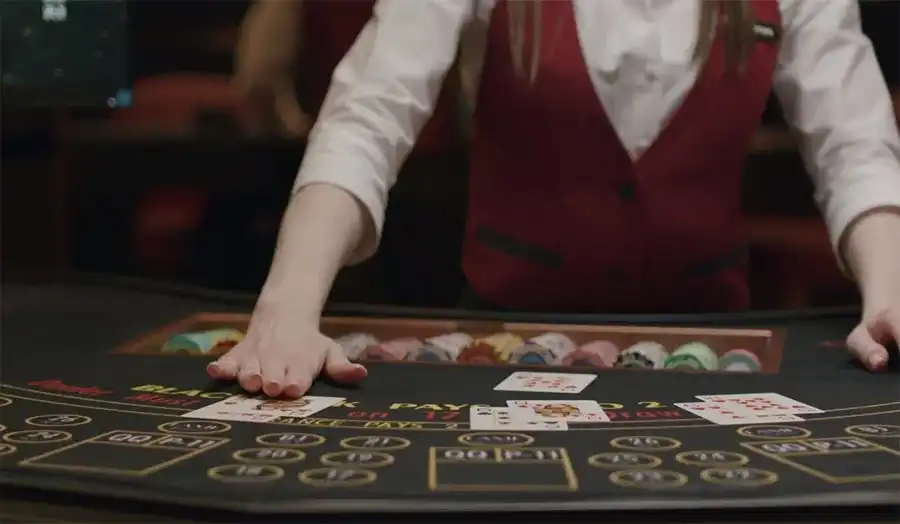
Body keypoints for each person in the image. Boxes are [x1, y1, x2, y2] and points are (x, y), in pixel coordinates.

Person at [210, 0, 900, 398]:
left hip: (713, 352)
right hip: (504, 343)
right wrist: (288, 308)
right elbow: (368, 116)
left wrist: (891, 295)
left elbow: (857, 146)